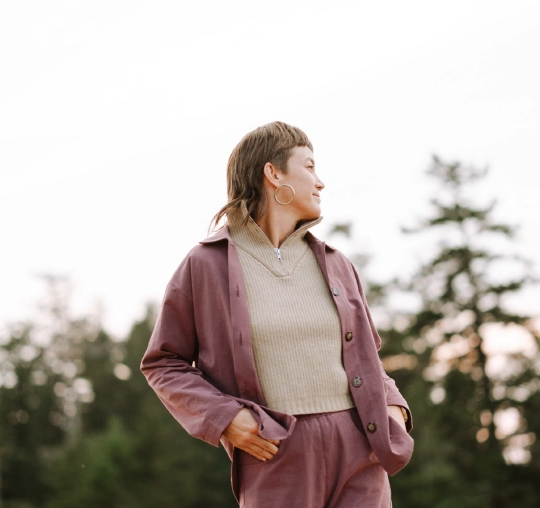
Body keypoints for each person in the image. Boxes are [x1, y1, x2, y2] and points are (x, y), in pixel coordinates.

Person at [141, 121, 413, 507]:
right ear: (273, 173)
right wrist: (224, 418)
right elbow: (163, 362)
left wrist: (392, 405)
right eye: (309, 167)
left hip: (359, 445)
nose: (321, 182)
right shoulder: (204, 264)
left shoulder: (338, 265)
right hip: (275, 448)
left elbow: (368, 357)